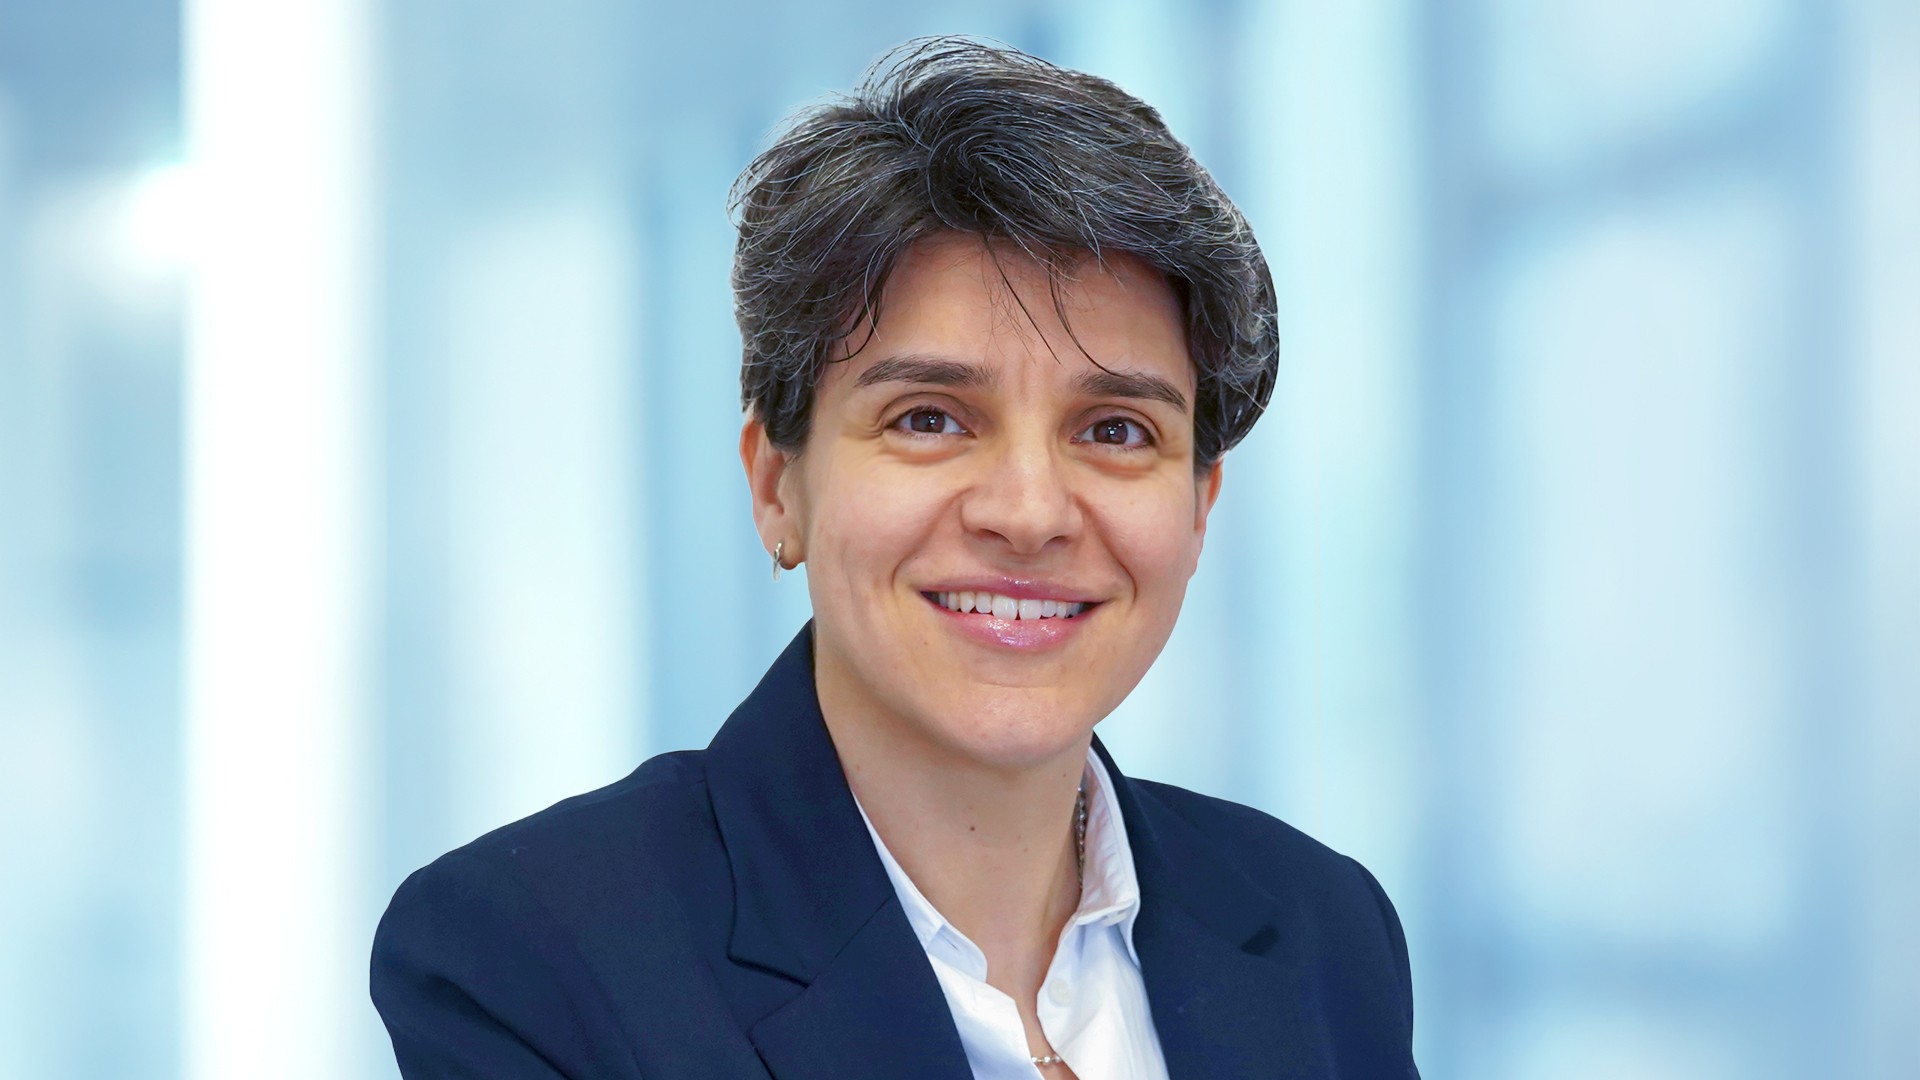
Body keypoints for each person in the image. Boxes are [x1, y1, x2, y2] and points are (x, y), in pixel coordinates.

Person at [371, 37, 1418, 1080]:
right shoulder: (533, 958)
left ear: (1199, 511)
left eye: (1114, 431)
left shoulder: (1322, 933)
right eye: (929, 418)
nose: (1029, 511)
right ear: (778, 483)